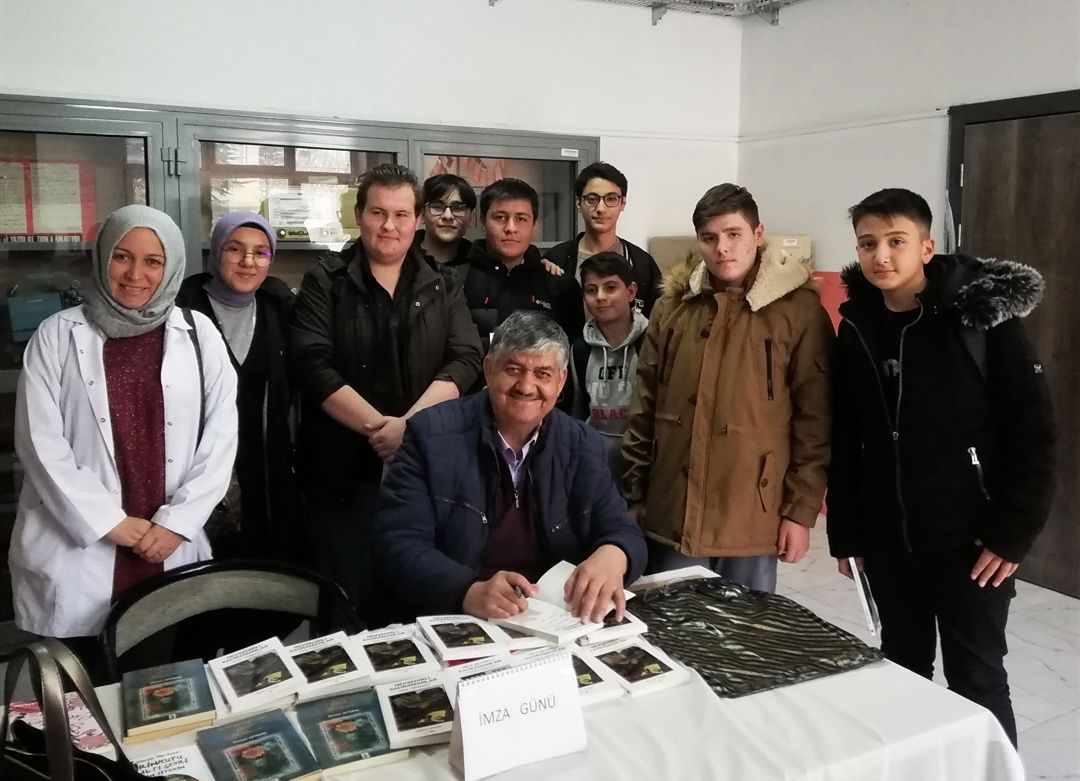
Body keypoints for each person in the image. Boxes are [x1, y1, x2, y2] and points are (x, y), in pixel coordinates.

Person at [826, 188, 1056, 746]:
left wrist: (1012, 534)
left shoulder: (981, 320)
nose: (881, 256)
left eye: (896, 241)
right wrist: (848, 533)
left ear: (927, 248)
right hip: (890, 541)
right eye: (868, 244)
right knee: (901, 670)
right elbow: (847, 436)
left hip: (971, 544)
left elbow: (1035, 432)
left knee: (977, 679)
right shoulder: (857, 324)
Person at [8, 204, 237, 677]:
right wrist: (109, 522)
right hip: (78, 549)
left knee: (158, 692)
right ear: (102, 258)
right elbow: (40, 444)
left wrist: (177, 524)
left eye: (153, 261)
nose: (135, 274)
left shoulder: (200, 335)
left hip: (165, 547)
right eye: (121, 256)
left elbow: (220, 440)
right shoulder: (56, 336)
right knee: (80, 697)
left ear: (171, 267)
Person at [290, 163, 483, 623]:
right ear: (359, 215)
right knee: (345, 607)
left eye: (400, 214)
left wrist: (408, 428)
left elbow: (466, 358)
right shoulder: (326, 280)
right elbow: (312, 365)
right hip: (342, 476)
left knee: (416, 600)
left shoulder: (442, 283)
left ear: (417, 220)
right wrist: (381, 429)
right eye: (378, 213)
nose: (389, 226)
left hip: (425, 472)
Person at [623, 184, 832, 593]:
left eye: (734, 234)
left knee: (746, 626)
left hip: (753, 512)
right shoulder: (673, 308)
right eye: (710, 237)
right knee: (676, 622)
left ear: (758, 234)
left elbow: (815, 422)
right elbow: (644, 404)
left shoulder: (798, 311)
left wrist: (799, 512)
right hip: (674, 508)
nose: (722, 248)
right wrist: (637, 490)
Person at [373, 311, 647, 623]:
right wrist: (466, 591)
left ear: (561, 382)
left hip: (553, 618)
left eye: (543, 374)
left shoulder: (582, 443)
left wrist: (614, 555)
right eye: (513, 369)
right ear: (489, 370)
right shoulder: (430, 435)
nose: (527, 387)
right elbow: (397, 542)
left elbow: (621, 528)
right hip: (457, 613)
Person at [177, 211, 299, 562]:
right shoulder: (183, 312)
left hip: (267, 471)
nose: (248, 261)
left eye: (261, 252)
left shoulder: (279, 311)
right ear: (217, 251)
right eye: (235, 249)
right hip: (202, 474)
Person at [461, 178, 585, 350]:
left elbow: (570, 351)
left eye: (521, 219)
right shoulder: (457, 279)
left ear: (534, 224)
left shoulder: (559, 285)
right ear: (483, 221)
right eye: (500, 217)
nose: (510, 228)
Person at [544, 161, 662, 316]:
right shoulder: (556, 260)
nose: (600, 208)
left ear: (622, 203)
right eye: (592, 199)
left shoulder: (642, 264)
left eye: (611, 199)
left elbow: (659, 319)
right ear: (579, 202)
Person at [570, 252, 648, 480]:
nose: (600, 297)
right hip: (594, 465)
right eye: (591, 290)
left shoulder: (651, 341)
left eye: (610, 288)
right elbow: (577, 412)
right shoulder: (580, 349)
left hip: (642, 461)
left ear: (631, 292)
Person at [415, 173, 476, 267]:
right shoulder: (401, 259)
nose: (447, 216)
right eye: (438, 207)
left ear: (471, 218)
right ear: (422, 214)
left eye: (458, 208)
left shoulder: (481, 266)